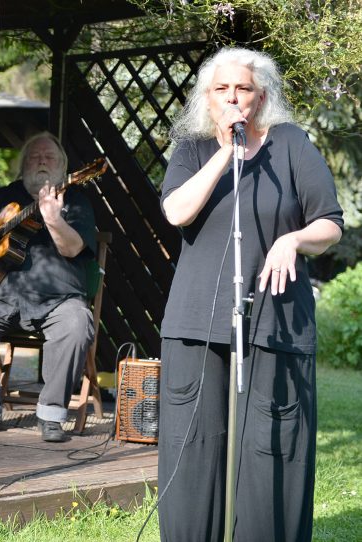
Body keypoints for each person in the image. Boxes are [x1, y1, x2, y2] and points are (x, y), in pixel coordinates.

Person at [158, 47, 343, 541]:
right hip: (197, 324)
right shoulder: (192, 149)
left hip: (276, 323)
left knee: (270, 450)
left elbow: (331, 223)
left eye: (243, 88)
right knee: (194, 452)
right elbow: (177, 212)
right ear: (207, 97)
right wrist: (226, 153)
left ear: (262, 96)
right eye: (221, 89)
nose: (232, 98)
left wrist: (294, 238)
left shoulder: (290, 145)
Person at [0, 132, 96, 443]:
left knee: (78, 322)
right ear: (23, 164)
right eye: (34, 156)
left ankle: (51, 415)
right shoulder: (3, 196)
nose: (42, 161)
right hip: (0, 296)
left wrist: (54, 220)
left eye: (49, 157)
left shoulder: (76, 200)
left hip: (58, 300)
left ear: (63, 166)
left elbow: (71, 249)